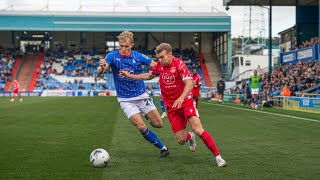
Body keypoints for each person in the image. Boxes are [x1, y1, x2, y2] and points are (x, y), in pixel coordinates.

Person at [120, 43, 227, 167]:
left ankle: (218, 157)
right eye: (158, 58)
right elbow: (149, 75)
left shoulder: (179, 64)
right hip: (171, 107)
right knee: (181, 140)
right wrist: (131, 76)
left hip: (185, 102)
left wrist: (181, 98)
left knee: (197, 128)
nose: (160, 61)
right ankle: (189, 136)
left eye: (162, 57)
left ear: (170, 54)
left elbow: (189, 83)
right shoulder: (159, 66)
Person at [98, 31, 169, 158]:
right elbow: (100, 72)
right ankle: (163, 148)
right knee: (141, 126)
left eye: (126, 46)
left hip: (142, 95)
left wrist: (155, 73)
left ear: (132, 45)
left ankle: (146, 115)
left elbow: (156, 66)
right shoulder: (112, 56)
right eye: (121, 46)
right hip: (125, 99)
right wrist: (102, 67)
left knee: (158, 124)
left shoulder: (138, 56)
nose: (123, 49)